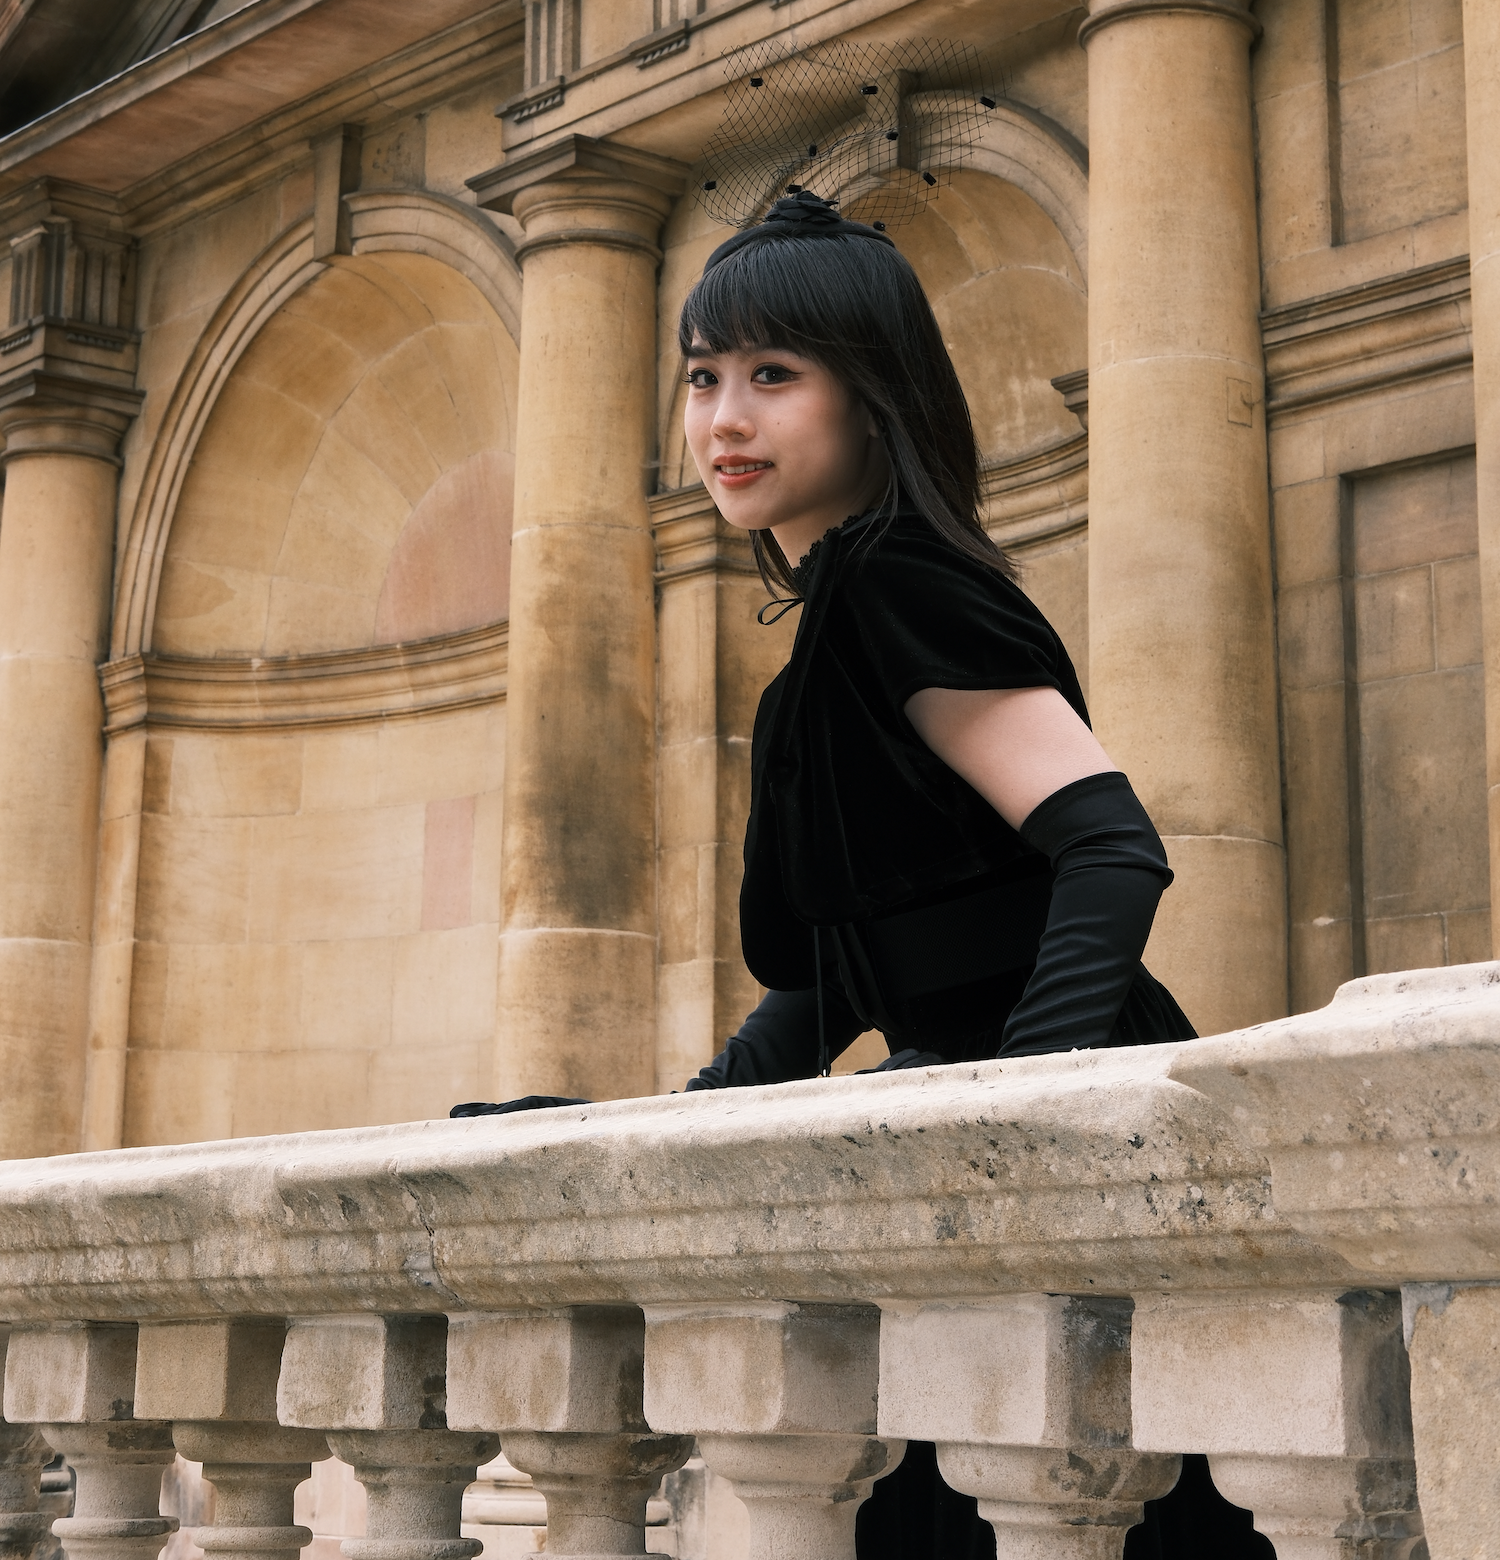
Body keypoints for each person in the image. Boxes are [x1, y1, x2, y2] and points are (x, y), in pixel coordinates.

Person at [453, 190, 1265, 1560]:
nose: (724, 420)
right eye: (704, 379)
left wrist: (1021, 1105)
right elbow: (841, 978)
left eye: (776, 376)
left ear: (870, 401)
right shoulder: (821, 653)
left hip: (1031, 1132)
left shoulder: (900, 588)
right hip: (946, 1153)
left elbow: (1113, 852)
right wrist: (660, 1126)